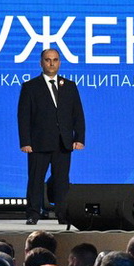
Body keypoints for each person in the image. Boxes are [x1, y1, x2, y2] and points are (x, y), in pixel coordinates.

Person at [17, 48, 84, 226]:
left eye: (55, 60)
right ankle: (33, 213)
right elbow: (23, 117)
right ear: (41, 63)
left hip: (63, 142)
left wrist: (79, 138)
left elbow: (77, 114)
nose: (51, 63)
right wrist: (25, 141)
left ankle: (63, 214)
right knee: (35, 180)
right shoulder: (30, 86)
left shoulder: (69, 86)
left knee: (62, 181)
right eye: (47, 60)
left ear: (59, 62)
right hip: (38, 143)